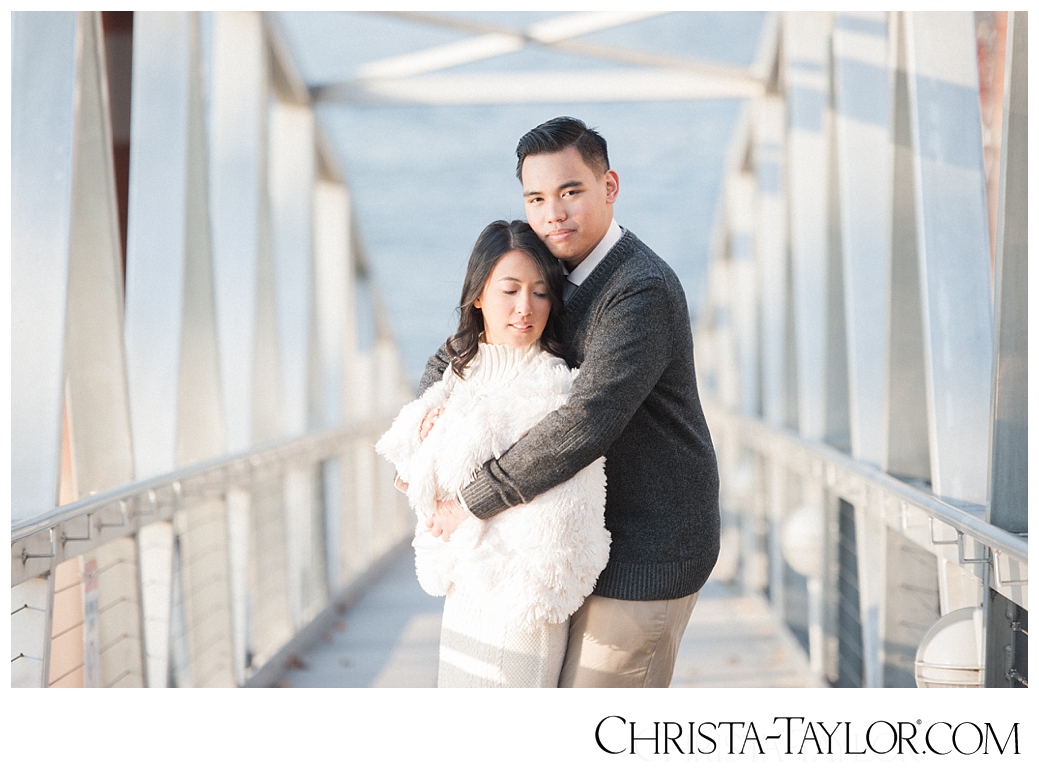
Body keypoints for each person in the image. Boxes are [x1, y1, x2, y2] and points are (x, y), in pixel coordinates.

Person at [420, 116, 720, 688]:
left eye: (570, 192)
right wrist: (431, 425)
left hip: (646, 550)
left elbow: (586, 422)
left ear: (609, 187)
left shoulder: (639, 287)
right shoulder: (549, 272)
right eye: (536, 198)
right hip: (575, 544)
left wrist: (472, 498)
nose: (552, 214)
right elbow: (460, 345)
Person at [376, 219, 610, 687]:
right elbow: (414, 478)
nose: (525, 308)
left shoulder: (554, 388)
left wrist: (451, 479)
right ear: (478, 295)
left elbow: (560, 515)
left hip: (521, 597)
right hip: (465, 592)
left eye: (541, 293)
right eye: (510, 290)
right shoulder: (459, 374)